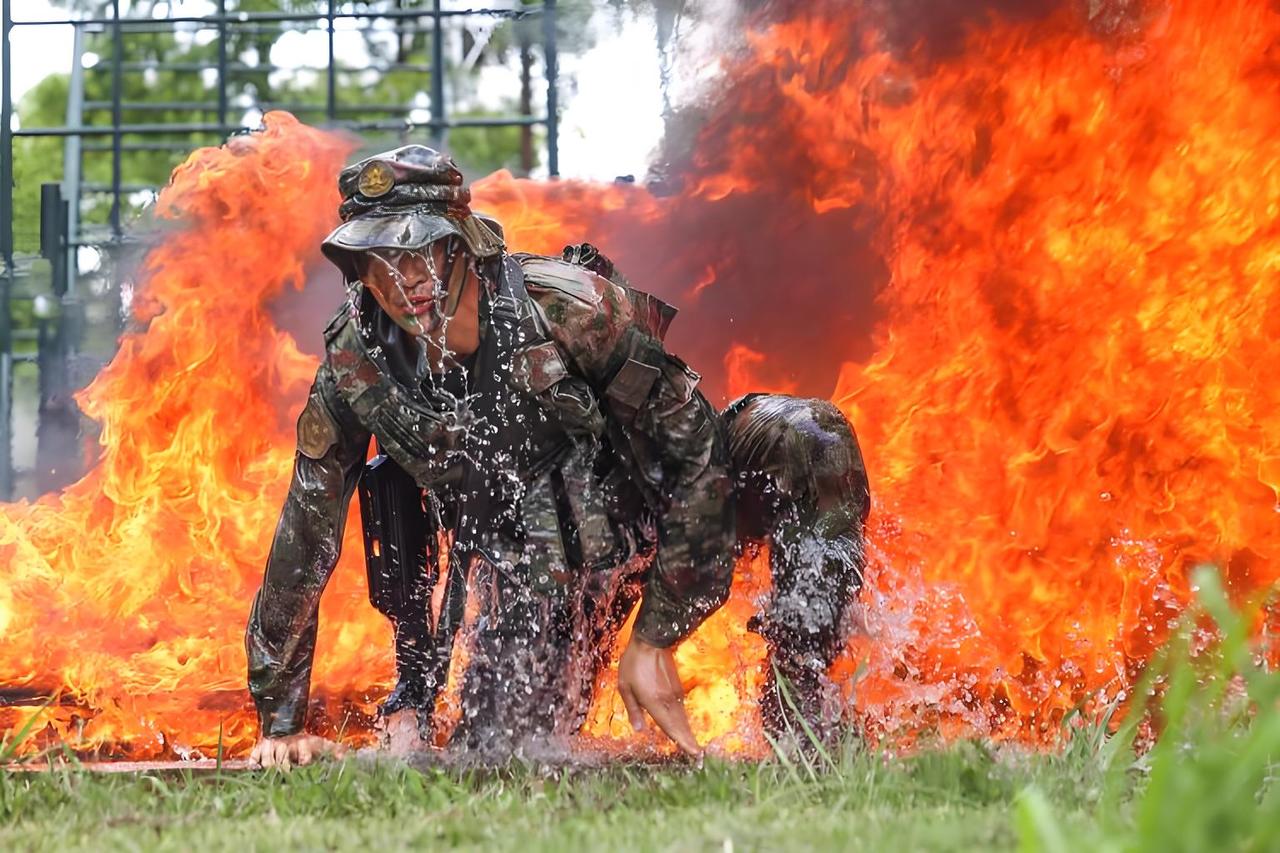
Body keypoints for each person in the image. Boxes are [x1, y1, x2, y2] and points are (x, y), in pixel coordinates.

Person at [245, 145, 870, 769]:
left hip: (667, 509)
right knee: (501, 761)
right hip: (548, 575)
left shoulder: (568, 309)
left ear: (459, 244)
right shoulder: (357, 362)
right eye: (376, 259)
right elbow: (307, 527)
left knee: (811, 437)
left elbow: (698, 462)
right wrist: (280, 718)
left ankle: (800, 713)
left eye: (418, 251)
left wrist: (655, 637)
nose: (400, 278)